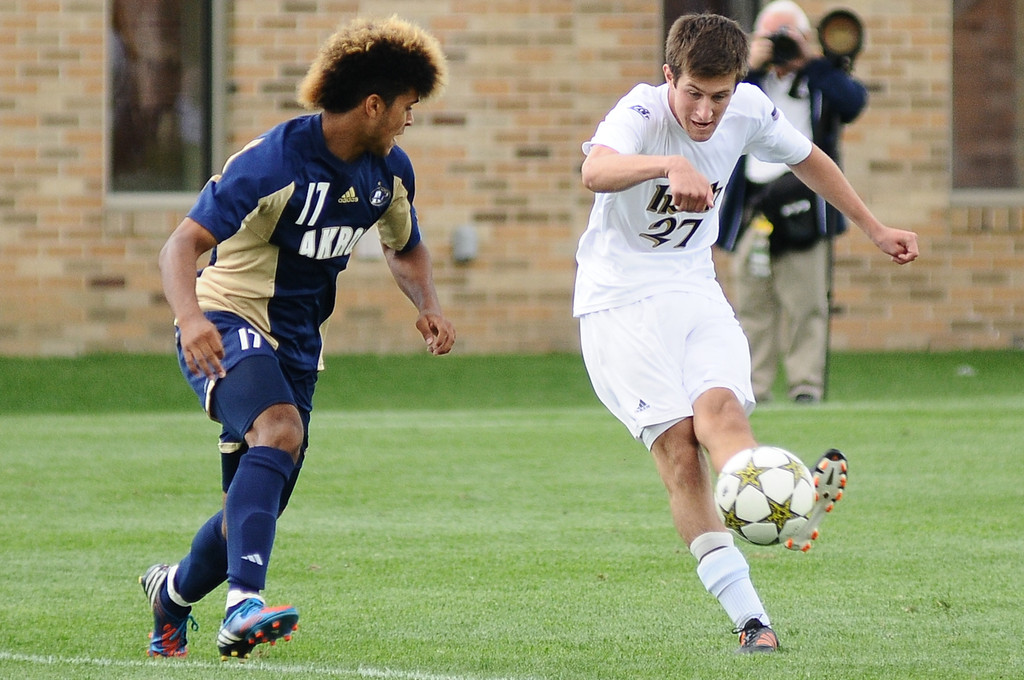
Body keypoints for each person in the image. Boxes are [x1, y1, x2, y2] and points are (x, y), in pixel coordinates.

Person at [575, 13, 916, 653]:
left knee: (723, 412)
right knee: (680, 451)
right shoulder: (642, 113)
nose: (706, 112)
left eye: (720, 96)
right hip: (618, 301)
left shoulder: (750, 107)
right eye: (693, 94)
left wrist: (874, 228)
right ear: (670, 76)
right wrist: (669, 165)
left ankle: (776, 506)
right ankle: (750, 616)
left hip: (692, 288)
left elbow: (810, 158)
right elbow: (596, 170)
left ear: (738, 84)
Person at [140, 15, 455, 661]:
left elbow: (407, 247)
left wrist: (427, 305)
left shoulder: (388, 173)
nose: (408, 121)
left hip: (297, 348)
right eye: (405, 107)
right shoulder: (272, 163)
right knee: (280, 432)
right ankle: (243, 607)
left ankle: (171, 594)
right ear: (372, 105)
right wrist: (193, 319)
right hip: (225, 324)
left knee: (248, 516)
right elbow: (181, 246)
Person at [718, 1, 868, 404]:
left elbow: (853, 102)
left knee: (807, 304)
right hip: (753, 207)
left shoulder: (819, 79)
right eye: (773, 37)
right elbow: (718, 102)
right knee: (751, 304)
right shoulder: (745, 83)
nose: (782, 46)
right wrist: (750, 63)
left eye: (789, 37)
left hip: (806, 203)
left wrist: (810, 63)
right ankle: (754, 389)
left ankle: (805, 388)